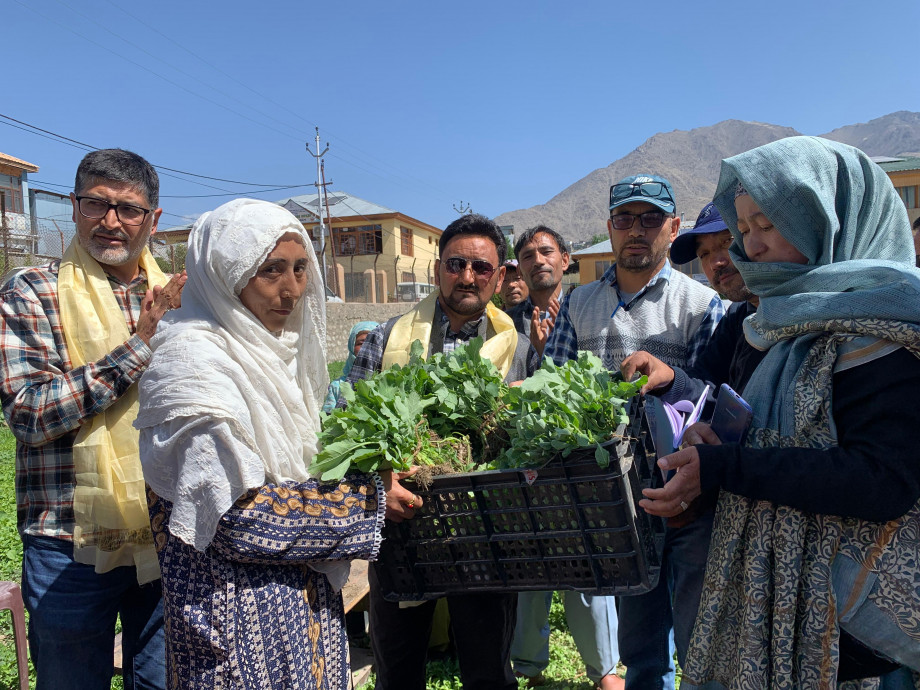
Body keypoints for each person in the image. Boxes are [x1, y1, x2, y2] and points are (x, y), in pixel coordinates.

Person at [642, 137, 920, 688]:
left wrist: (728, 467)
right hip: (783, 607)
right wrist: (713, 447)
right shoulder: (770, 323)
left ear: (830, 220)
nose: (752, 245)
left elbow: (882, 481)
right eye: (744, 228)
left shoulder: (884, 331)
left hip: (854, 632)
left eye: (767, 224)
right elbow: (760, 429)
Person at [135, 199, 418, 689]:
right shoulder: (191, 365)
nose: (291, 289)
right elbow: (232, 517)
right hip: (236, 625)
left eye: (300, 268)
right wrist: (366, 503)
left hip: (305, 611)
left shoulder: (276, 357)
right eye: (271, 270)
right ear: (225, 274)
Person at [0, 148, 185, 690]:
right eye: (95, 204)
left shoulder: (179, 296)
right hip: (68, 539)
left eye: (128, 209)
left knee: (163, 681)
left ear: (153, 219)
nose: (110, 221)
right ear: (74, 204)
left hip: (165, 530)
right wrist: (139, 346)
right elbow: (29, 412)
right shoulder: (33, 292)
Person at [543, 174, 724, 690]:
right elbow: (552, 390)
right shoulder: (577, 304)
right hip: (616, 504)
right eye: (625, 219)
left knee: (701, 645)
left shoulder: (700, 303)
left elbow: (714, 398)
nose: (636, 230)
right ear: (609, 228)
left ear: (674, 227)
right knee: (641, 649)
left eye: (650, 219)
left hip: (688, 500)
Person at [346, 212, 538, 690]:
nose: (467, 277)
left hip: (488, 534)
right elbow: (348, 426)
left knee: (488, 670)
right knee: (397, 668)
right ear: (437, 270)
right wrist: (380, 481)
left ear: (499, 277)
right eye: (456, 264)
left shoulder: (520, 349)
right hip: (401, 532)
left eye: (481, 267)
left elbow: (534, 445)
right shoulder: (386, 338)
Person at [506, 225, 569, 356]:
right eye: (528, 256)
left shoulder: (583, 314)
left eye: (546, 252)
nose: (538, 261)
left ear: (564, 261)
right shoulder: (506, 323)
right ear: (520, 271)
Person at [323, 320, 378, 413]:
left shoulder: (389, 383)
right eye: (360, 343)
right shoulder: (337, 387)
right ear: (352, 347)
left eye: (372, 343)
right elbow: (328, 417)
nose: (366, 348)